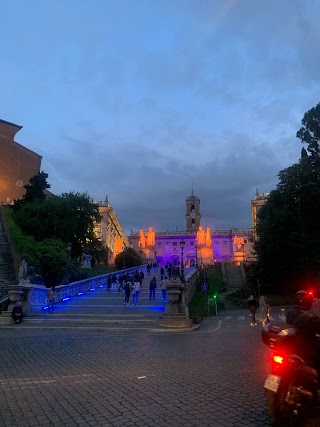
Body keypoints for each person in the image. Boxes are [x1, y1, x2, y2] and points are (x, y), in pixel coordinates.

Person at [286, 290, 320, 370]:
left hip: (291, 346)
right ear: (309, 302)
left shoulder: (290, 313)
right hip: (307, 349)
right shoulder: (313, 318)